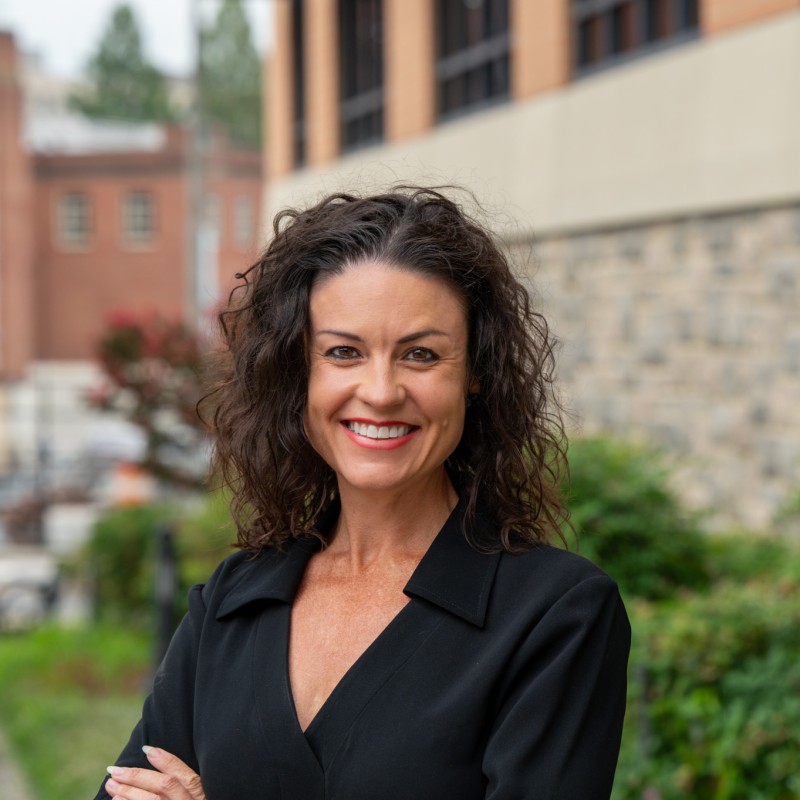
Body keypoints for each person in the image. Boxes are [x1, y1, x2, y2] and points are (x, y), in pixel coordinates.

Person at [97, 187, 630, 800]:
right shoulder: (232, 601)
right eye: (344, 352)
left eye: (421, 355)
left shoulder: (556, 617)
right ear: (301, 372)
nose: (380, 391)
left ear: (474, 374)